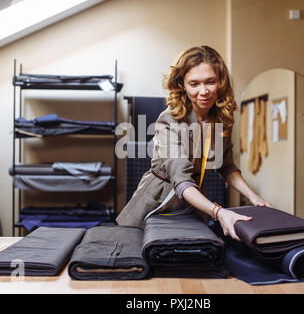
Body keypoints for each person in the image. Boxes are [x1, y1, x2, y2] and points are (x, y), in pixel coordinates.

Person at [116, 45, 271, 241]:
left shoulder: (222, 120)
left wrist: (254, 197)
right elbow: (181, 180)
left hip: (194, 204)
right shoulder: (169, 120)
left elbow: (226, 166)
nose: (203, 91)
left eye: (210, 82)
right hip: (158, 202)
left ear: (221, 82)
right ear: (182, 85)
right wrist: (219, 212)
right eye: (194, 84)